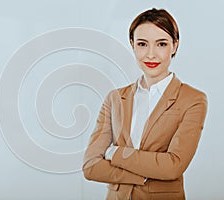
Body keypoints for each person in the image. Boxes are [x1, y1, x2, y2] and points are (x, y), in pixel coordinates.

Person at [82, 8, 208, 200]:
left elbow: (172, 166)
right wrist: (145, 174)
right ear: (132, 45)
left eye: (161, 44)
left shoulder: (193, 99)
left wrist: (114, 152)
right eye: (142, 44)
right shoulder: (115, 98)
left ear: (174, 46)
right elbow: (91, 167)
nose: (151, 54)